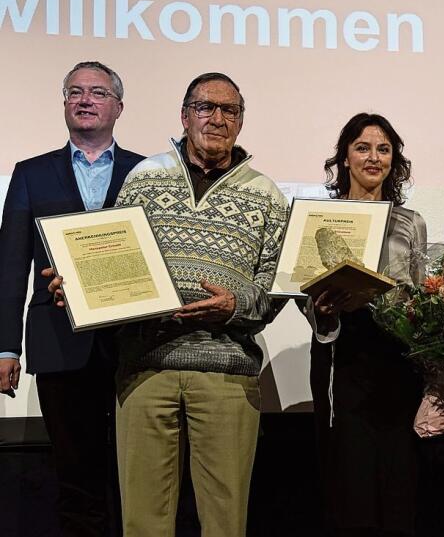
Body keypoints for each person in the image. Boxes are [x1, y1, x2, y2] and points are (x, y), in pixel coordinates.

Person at [47, 72, 288, 537]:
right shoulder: (144, 176)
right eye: (205, 107)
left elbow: (274, 290)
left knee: (224, 519)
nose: (216, 119)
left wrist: (234, 305)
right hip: (145, 368)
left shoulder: (267, 194)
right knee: (143, 520)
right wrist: (78, 286)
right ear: (184, 115)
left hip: (227, 372)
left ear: (241, 121)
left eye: (229, 110)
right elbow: (114, 260)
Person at [0, 61, 143, 537]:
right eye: (74, 92)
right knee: (74, 479)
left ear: (118, 107)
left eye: (97, 92)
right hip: (59, 345)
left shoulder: (148, 172)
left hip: (134, 345)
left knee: (137, 476)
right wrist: (6, 348)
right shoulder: (30, 173)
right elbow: (10, 265)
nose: (84, 100)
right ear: (64, 103)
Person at [309, 113, 427, 537]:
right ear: (344, 157)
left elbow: (419, 293)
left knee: (399, 491)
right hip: (344, 360)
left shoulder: (410, 222)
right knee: (350, 491)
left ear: (394, 160)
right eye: (362, 147)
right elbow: (306, 291)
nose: (373, 157)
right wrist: (323, 311)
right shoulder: (321, 218)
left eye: (383, 149)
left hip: (399, 362)